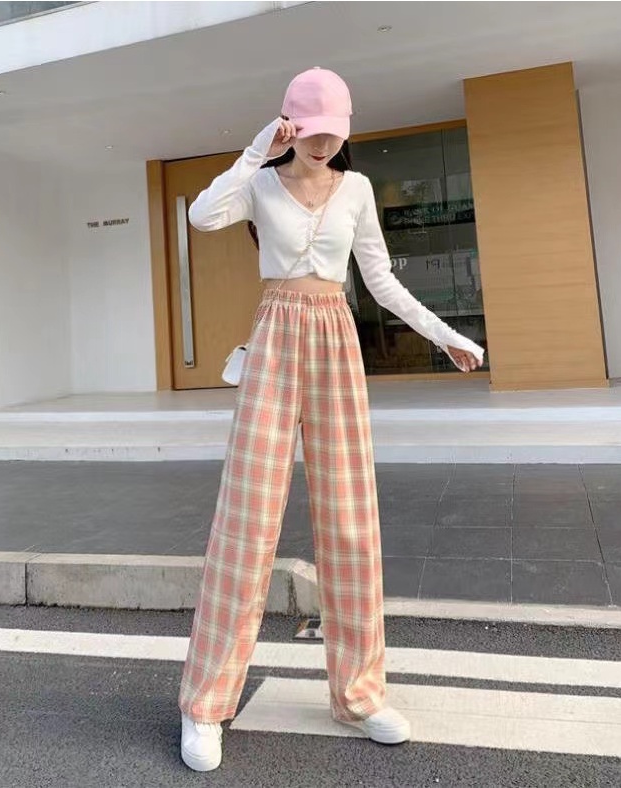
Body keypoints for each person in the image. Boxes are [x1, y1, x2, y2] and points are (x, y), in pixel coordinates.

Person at [178, 67, 485, 772]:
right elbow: (201, 216)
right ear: (289, 124)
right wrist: (256, 150)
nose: (323, 145)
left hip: (336, 338)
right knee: (247, 521)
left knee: (350, 521)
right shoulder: (259, 183)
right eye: (311, 131)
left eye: (334, 133)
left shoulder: (358, 188)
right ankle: (205, 703)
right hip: (275, 336)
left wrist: (445, 335)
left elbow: (379, 279)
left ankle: (359, 694)